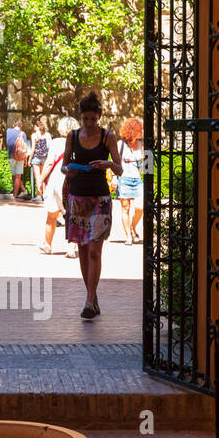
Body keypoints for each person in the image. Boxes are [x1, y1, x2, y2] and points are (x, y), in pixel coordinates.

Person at [61, 92, 122, 318]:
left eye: (92, 119)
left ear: (99, 116)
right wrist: (70, 170)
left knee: (95, 250)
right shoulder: (73, 136)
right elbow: (64, 166)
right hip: (77, 198)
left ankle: (88, 301)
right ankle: (92, 295)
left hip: (99, 199)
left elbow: (119, 168)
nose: (89, 123)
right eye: (85, 119)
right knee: (84, 251)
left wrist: (107, 163)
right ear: (81, 117)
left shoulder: (108, 137)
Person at [40, 116, 78, 257]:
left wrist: (41, 179)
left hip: (56, 179)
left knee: (51, 214)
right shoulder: (79, 143)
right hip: (72, 179)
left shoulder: (56, 142)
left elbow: (50, 163)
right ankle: (71, 248)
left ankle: (47, 244)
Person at [117, 116, 145, 245]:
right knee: (125, 208)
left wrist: (151, 181)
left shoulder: (142, 144)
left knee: (140, 207)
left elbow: (148, 165)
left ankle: (133, 227)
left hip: (137, 180)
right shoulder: (120, 144)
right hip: (124, 179)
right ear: (132, 130)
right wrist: (113, 178)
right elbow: (114, 162)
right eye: (140, 129)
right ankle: (128, 235)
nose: (142, 131)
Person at [6, 118, 30, 200]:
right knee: (18, 177)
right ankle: (17, 194)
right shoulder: (23, 134)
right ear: (21, 126)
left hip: (11, 156)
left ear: (14, 125)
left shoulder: (8, 131)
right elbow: (25, 148)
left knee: (14, 176)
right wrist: (26, 161)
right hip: (20, 157)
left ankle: (20, 192)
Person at [29, 118, 52, 200]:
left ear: (37, 127)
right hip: (45, 158)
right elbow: (50, 147)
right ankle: (45, 195)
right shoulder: (47, 135)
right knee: (43, 177)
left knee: (38, 177)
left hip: (36, 158)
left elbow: (33, 149)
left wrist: (29, 160)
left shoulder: (34, 135)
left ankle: (39, 195)